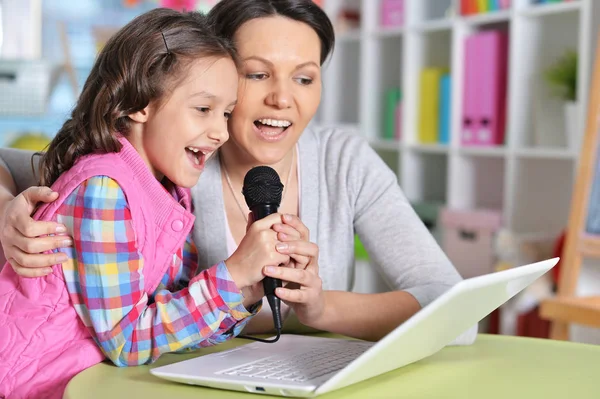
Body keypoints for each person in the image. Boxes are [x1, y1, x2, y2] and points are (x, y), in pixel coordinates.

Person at [0, 0, 476, 344]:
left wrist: (322, 307)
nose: (283, 98)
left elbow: (456, 309)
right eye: (256, 73)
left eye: (304, 78)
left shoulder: (341, 160)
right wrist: (5, 209)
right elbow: (53, 169)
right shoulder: (159, 164)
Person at [0, 8, 318, 399]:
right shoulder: (104, 188)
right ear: (140, 102)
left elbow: (170, 320)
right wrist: (231, 276)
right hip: (25, 385)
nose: (220, 132)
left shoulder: (168, 193)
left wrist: (248, 289)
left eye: (227, 113)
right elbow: (128, 342)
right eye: (203, 109)